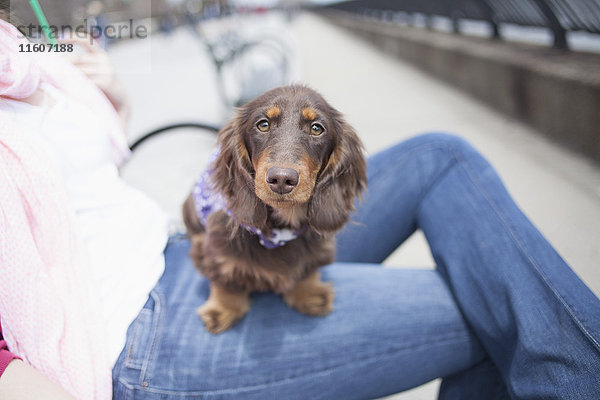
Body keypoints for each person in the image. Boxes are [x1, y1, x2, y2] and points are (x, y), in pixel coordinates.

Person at [1, 15, 599, 400]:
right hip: (140, 333)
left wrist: (111, 99)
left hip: (179, 249)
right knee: (496, 301)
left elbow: (79, 186)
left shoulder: (18, 48)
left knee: (441, 158)